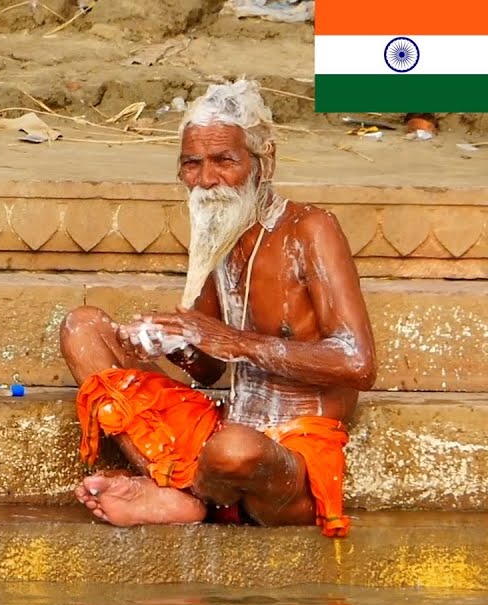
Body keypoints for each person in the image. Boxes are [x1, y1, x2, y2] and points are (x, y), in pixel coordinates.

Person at [59, 79, 376, 537]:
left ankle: (183, 495)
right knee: (83, 328)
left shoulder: (311, 228)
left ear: (264, 162)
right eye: (192, 164)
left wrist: (235, 342)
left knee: (235, 451)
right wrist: (175, 343)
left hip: (293, 450)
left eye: (224, 161)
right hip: (225, 427)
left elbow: (358, 363)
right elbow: (209, 371)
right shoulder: (217, 228)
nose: (206, 180)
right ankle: (184, 489)